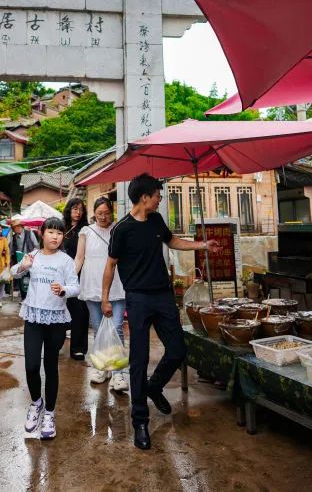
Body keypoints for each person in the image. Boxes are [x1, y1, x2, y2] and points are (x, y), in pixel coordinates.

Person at [102, 173, 220, 450]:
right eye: (157, 195)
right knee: (139, 359)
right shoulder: (122, 229)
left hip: (163, 296)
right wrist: (105, 298)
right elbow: (110, 265)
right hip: (138, 299)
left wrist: (202, 245)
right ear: (145, 197)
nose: (160, 199)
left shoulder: (155, 220)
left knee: (178, 350)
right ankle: (140, 420)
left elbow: (172, 240)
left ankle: (154, 387)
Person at [10, 217, 80, 440]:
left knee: (51, 367)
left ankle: (49, 413)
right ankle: (36, 403)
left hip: (56, 319)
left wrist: (63, 291)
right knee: (31, 366)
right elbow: (13, 272)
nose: (55, 237)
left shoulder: (66, 261)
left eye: (59, 233)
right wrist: (23, 265)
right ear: (42, 234)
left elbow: (76, 287)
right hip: (33, 316)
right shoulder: (33, 256)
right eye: (51, 232)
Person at [75, 196, 128, 391]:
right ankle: (103, 369)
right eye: (99, 214)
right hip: (91, 286)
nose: (103, 217)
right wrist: (71, 280)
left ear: (112, 212)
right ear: (93, 214)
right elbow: (79, 258)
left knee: (116, 329)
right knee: (98, 330)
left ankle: (118, 373)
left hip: (116, 286)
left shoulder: (119, 229)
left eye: (106, 213)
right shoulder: (86, 232)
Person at [61, 198, 90, 360]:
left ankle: (78, 348)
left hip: (78, 274)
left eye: (80, 209)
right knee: (58, 307)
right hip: (59, 273)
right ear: (69, 210)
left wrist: (71, 276)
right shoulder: (61, 227)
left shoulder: (84, 230)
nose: (78, 213)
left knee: (79, 311)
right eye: (74, 209)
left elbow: (81, 256)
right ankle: (55, 342)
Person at [8, 215, 38, 300]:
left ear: (21, 226)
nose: (17, 229)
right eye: (14, 228)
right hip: (20, 262)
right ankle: (23, 298)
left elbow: (36, 246)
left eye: (18, 227)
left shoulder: (29, 233)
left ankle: (31, 297)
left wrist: (32, 255)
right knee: (21, 280)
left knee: (31, 279)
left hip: (31, 261)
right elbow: (11, 250)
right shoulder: (13, 237)